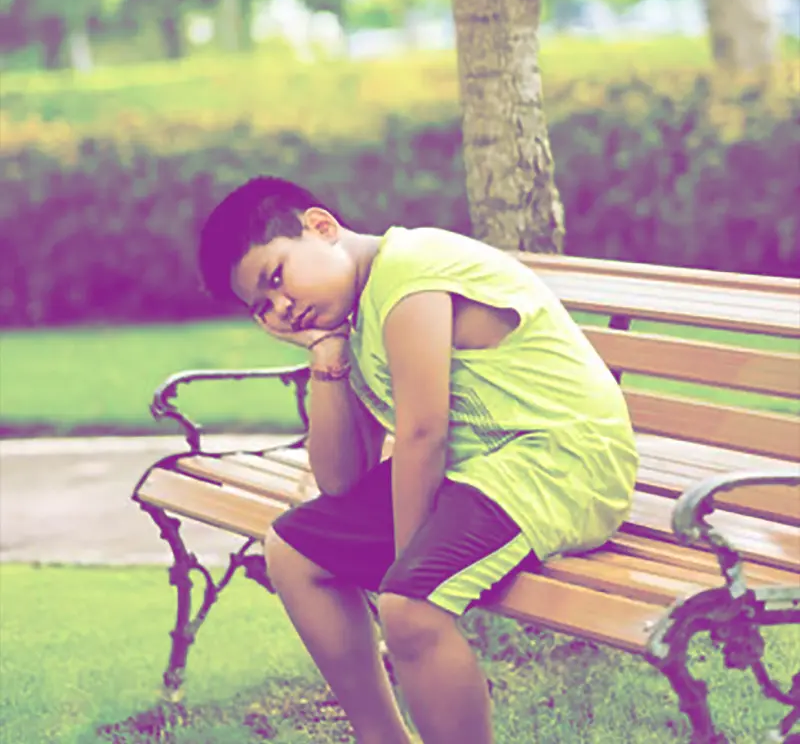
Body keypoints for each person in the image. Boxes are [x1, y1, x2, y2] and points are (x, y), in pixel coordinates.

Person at [198, 176, 639, 744]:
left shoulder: (410, 270)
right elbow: (338, 480)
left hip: (559, 464)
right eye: (264, 307)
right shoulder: (350, 322)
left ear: (321, 227)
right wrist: (326, 357)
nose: (282, 308)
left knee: (411, 610)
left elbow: (423, 434)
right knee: (291, 551)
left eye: (277, 277)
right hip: (478, 471)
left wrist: (402, 581)